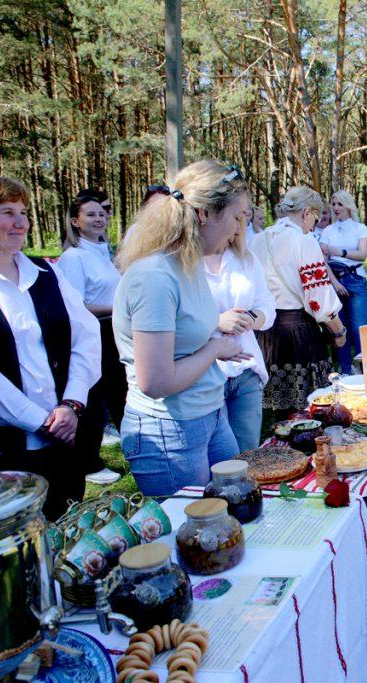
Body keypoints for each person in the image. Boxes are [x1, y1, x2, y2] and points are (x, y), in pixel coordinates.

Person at [0, 173, 101, 519]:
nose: (21, 223)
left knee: (67, 529)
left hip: (65, 437)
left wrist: (71, 404)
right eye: (7, 213)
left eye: (23, 212)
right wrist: (42, 421)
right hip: (7, 452)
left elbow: (86, 336)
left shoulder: (46, 273)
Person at [113, 160, 251, 496]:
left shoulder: (190, 266)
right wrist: (217, 349)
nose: (238, 231)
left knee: (234, 516)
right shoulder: (155, 278)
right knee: (194, 537)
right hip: (168, 431)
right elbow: (156, 381)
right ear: (204, 214)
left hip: (210, 415)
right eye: (236, 218)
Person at [251, 187, 347, 418]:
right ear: (306, 212)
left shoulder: (257, 240)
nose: (314, 225)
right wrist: (339, 330)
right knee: (311, 411)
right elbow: (319, 300)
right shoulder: (305, 242)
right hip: (298, 333)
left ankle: (285, 453)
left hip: (267, 334)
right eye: (315, 217)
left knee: (282, 414)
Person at [57, 194, 127, 486]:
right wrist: (116, 307)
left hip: (115, 329)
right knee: (95, 398)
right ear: (75, 221)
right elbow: (73, 304)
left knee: (122, 392)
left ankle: (138, 446)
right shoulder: (73, 257)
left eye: (102, 214)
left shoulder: (104, 252)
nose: (99, 219)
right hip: (94, 331)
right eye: (91, 215)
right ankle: (88, 462)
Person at [202, 192, 276, 453]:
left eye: (242, 218)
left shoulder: (246, 259)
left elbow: (267, 305)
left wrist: (251, 319)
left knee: (248, 455)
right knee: (219, 459)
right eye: (236, 217)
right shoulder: (186, 263)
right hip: (208, 373)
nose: (238, 226)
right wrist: (217, 322)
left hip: (247, 369)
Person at [319, 190, 367, 374]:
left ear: (348, 206)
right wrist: (334, 283)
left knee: (358, 327)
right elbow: (323, 260)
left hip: (355, 278)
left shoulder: (360, 228)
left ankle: (363, 367)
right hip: (335, 280)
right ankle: (346, 369)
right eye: (333, 204)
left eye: (340, 204)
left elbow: (362, 254)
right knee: (340, 328)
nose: (336, 208)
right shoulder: (328, 230)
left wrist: (338, 251)